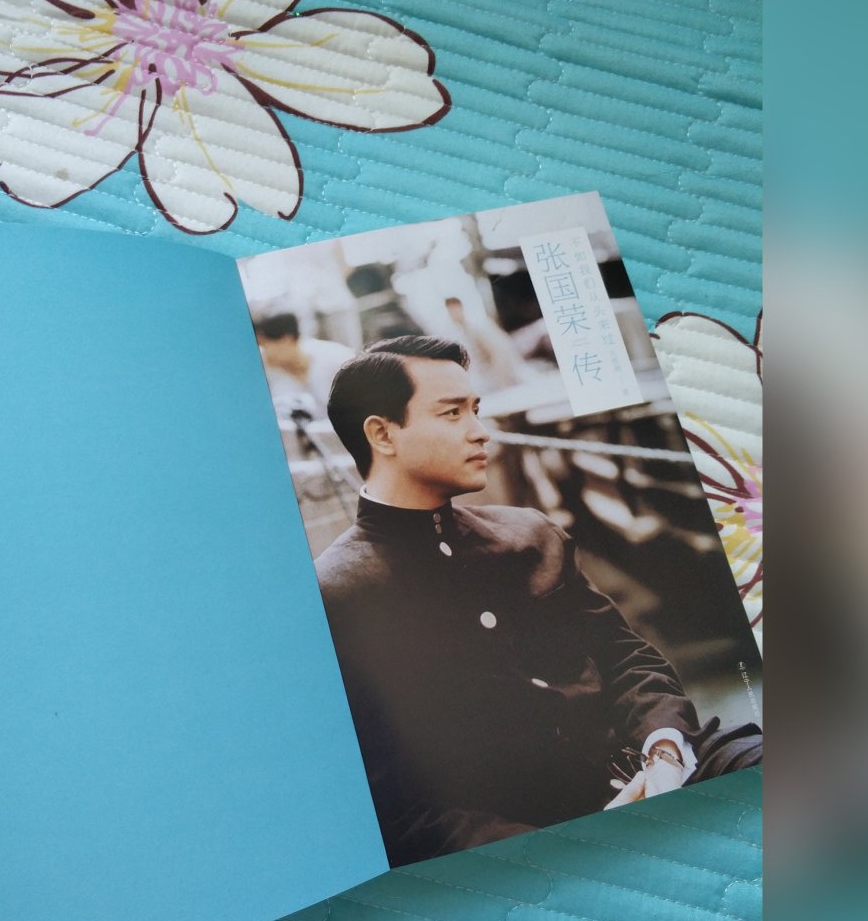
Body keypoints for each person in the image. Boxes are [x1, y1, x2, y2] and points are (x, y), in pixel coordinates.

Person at [316, 335, 760, 866]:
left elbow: (628, 659)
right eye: (452, 413)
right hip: (536, 836)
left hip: (665, 764)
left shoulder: (531, 534)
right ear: (382, 434)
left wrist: (664, 752)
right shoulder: (337, 595)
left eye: (475, 409)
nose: (480, 431)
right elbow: (402, 812)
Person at [253, 313, 354, 423]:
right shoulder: (267, 371)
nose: (263, 352)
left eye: (264, 344)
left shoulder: (337, 358)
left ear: (287, 339)